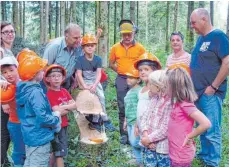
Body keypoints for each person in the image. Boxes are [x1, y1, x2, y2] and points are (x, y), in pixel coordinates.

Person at [190, 8, 229, 167]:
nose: (192, 26)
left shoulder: (218, 36)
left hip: (210, 93)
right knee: (202, 126)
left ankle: (212, 162)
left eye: (194, 22)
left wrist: (213, 86)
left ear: (204, 19)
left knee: (212, 128)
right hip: (197, 93)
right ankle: (205, 155)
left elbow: (227, 62)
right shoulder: (201, 39)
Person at [16, 55, 61, 167]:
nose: (43, 72)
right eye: (41, 70)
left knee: (30, 162)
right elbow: (42, 117)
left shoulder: (22, 89)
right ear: (35, 74)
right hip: (39, 137)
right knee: (38, 163)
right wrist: (55, 118)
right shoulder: (35, 92)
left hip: (29, 134)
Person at [109, 19, 146, 144]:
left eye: (129, 34)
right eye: (124, 34)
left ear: (134, 33)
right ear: (121, 34)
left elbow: (144, 64)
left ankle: (138, 132)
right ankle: (124, 134)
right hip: (121, 78)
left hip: (136, 80)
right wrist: (120, 71)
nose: (127, 37)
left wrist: (139, 77)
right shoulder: (115, 48)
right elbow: (111, 64)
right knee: (122, 105)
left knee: (137, 105)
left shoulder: (140, 48)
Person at [166, 67, 211, 167]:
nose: (165, 88)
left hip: (181, 155)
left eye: (167, 85)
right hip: (175, 152)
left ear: (175, 87)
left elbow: (206, 123)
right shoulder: (177, 103)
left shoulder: (185, 104)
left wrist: (189, 136)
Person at [43, 23, 103, 91]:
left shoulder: (78, 46)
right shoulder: (55, 46)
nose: (78, 40)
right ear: (66, 35)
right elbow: (44, 67)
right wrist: (50, 87)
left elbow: (91, 45)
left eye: (80, 37)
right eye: (75, 38)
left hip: (66, 84)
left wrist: (74, 79)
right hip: (50, 86)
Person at [76, 33, 115, 132]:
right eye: (87, 46)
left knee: (101, 97)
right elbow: (79, 74)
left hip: (95, 81)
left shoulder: (98, 59)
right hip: (85, 81)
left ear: (95, 47)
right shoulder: (80, 60)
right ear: (83, 48)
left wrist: (95, 85)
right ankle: (93, 120)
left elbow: (98, 74)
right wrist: (84, 86)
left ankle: (104, 119)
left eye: (92, 46)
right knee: (89, 99)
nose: (89, 48)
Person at [44, 64, 77, 167]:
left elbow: (75, 104)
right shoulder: (49, 94)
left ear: (63, 78)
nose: (56, 78)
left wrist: (62, 107)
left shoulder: (64, 91)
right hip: (55, 127)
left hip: (64, 125)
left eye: (58, 76)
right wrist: (67, 106)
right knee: (59, 152)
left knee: (56, 150)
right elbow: (56, 112)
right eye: (53, 76)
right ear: (48, 79)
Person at [140, 70, 172, 167]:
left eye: (150, 84)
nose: (148, 86)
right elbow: (144, 117)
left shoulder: (169, 103)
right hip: (148, 144)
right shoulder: (154, 99)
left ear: (158, 87)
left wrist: (149, 139)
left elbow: (166, 128)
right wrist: (146, 135)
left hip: (162, 148)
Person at [0, 56, 26, 167]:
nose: (8, 74)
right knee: (18, 151)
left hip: (28, 123)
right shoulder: (4, 86)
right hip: (15, 123)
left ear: (17, 69)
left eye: (11, 70)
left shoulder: (25, 83)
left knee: (29, 149)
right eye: (4, 72)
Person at [1, 21, 16, 166]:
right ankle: (2, 161)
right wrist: (4, 101)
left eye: (12, 31)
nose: (10, 34)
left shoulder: (10, 52)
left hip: (10, 97)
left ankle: (5, 159)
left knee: (8, 131)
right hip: (3, 98)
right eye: (6, 32)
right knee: (4, 133)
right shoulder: (0, 51)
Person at [123, 66, 142, 166]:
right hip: (130, 121)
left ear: (138, 80)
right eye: (127, 77)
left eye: (131, 77)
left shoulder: (140, 91)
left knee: (136, 142)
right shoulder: (129, 91)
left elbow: (142, 107)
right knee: (132, 142)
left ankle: (146, 158)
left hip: (137, 122)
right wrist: (125, 121)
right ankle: (139, 162)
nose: (128, 79)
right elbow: (127, 107)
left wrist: (138, 123)